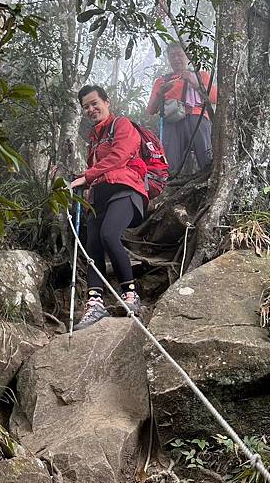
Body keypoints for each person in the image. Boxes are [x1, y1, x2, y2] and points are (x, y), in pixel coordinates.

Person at [70, 85, 148, 331]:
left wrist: (88, 175)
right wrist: (80, 179)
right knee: (92, 247)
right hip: (99, 196)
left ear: (107, 101)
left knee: (108, 235)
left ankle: (131, 295)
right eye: (86, 107)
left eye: (94, 103)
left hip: (126, 188)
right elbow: (97, 169)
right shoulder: (94, 138)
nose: (91, 109)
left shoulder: (122, 125)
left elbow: (120, 155)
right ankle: (95, 303)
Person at [146, 43, 217, 173]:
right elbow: (150, 110)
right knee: (171, 161)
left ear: (187, 57)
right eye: (172, 56)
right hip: (172, 122)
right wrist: (160, 93)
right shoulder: (162, 81)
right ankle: (171, 184)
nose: (176, 59)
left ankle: (208, 178)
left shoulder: (200, 75)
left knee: (205, 157)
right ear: (168, 58)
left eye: (179, 55)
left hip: (197, 118)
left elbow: (214, 97)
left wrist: (194, 82)